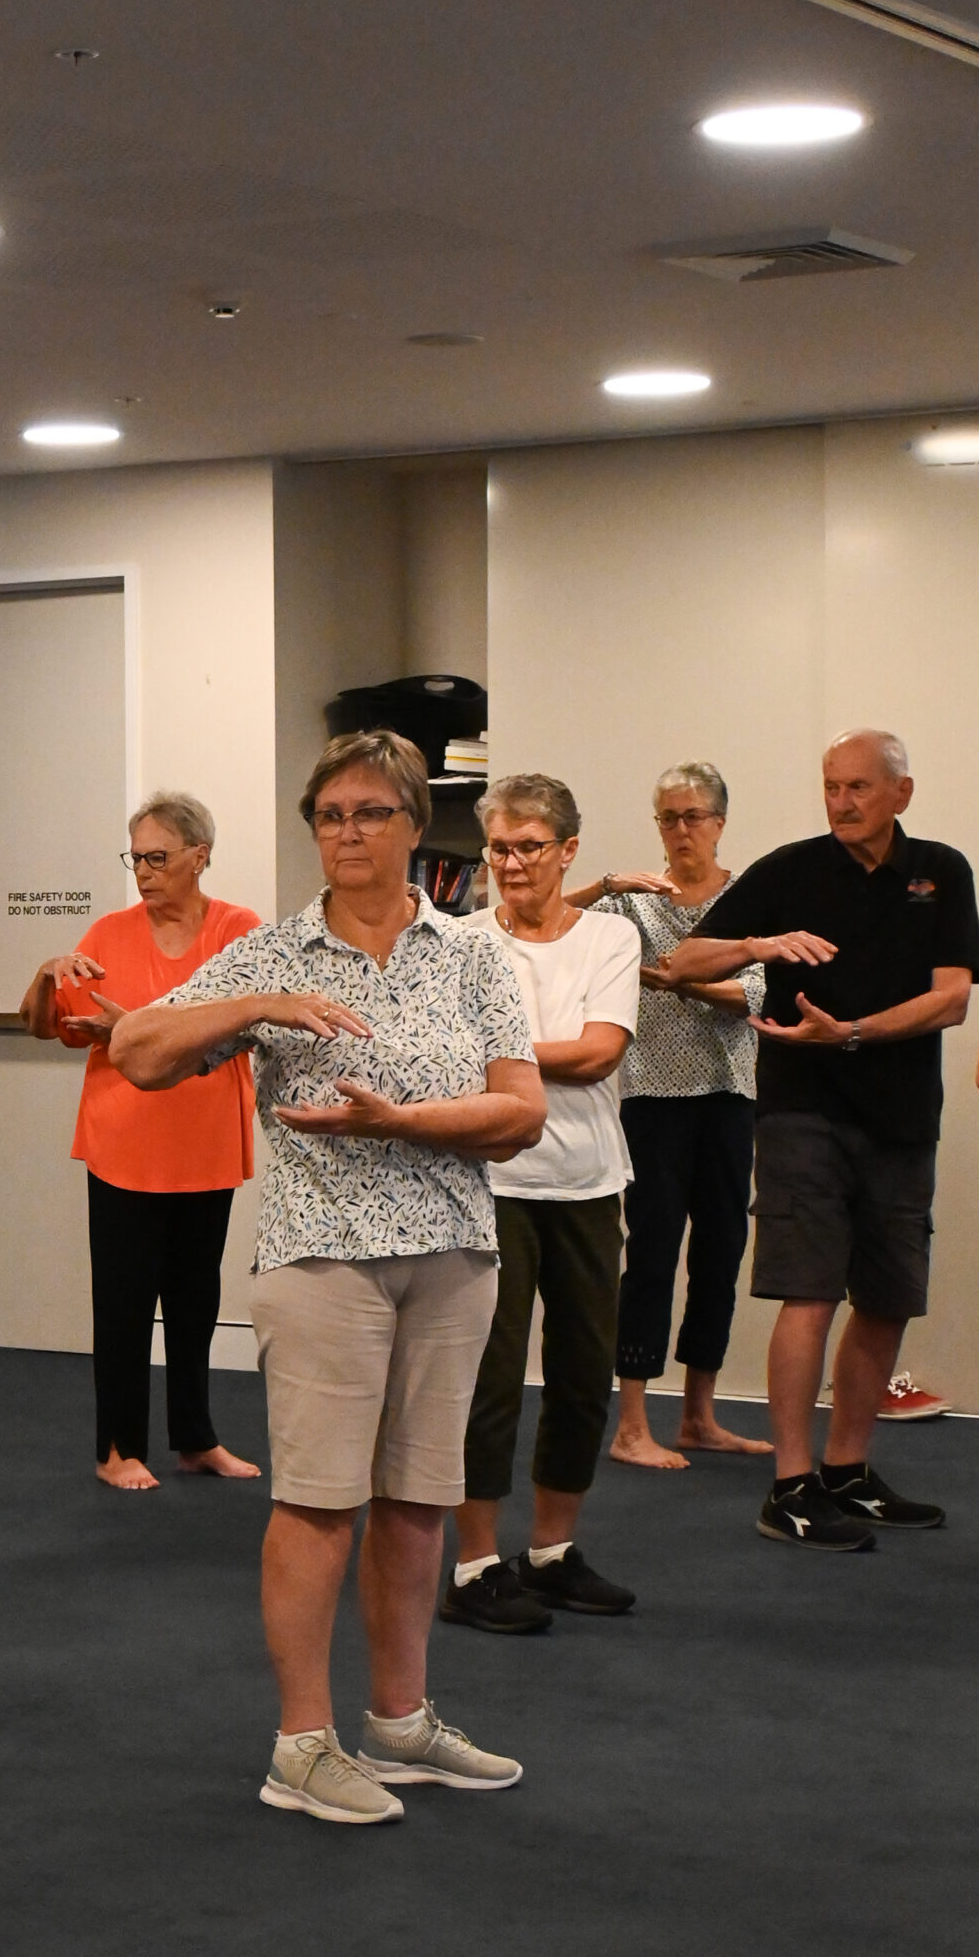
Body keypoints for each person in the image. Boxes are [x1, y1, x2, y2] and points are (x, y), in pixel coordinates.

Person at [111, 729, 542, 1827]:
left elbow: (519, 1109)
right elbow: (139, 1052)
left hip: (451, 1254)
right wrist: (253, 1008)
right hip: (322, 1258)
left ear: (412, 828)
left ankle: (397, 1723)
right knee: (317, 1503)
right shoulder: (273, 952)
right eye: (328, 815)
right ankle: (300, 1744)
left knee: (414, 1504)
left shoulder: (470, 952)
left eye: (369, 813)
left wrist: (405, 1122)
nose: (346, 833)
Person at [657, 728, 979, 1551]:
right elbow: (684, 961)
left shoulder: (940, 871)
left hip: (904, 1117)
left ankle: (849, 1471)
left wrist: (853, 1032)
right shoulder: (790, 869)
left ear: (900, 794)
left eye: (858, 789)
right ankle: (792, 1486)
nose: (840, 802)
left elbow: (951, 1000)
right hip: (803, 1113)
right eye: (831, 786)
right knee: (810, 1292)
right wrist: (759, 946)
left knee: (886, 1297)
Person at [446, 774, 642, 1635]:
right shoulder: (456, 941)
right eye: (499, 848)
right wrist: (520, 1058)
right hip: (491, 1183)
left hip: (590, 1182)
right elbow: (451, 1059)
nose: (513, 863)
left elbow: (601, 1053)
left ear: (567, 852)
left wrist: (500, 1053)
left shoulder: (609, 937)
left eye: (530, 847)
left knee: (582, 1374)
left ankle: (552, 1553)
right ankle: (475, 1565)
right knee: (488, 1379)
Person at [22, 790, 261, 1489]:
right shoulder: (106, 934)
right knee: (123, 1305)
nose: (144, 872)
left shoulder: (238, 929)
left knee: (196, 1304)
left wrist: (141, 1027)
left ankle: (196, 1439)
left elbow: (250, 1021)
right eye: (136, 859)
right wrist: (44, 977)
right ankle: (116, 1448)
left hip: (206, 1142)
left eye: (158, 858)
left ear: (201, 856)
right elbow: (44, 1026)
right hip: (124, 1144)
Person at [567, 760, 770, 1468]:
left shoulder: (750, 899)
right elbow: (547, 916)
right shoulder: (633, 903)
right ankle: (630, 1423)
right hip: (653, 1095)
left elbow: (755, 996)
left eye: (692, 817)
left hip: (730, 1093)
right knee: (651, 1252)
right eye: (667, 818)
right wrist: (610, 883)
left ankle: (699, 1415)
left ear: (719, 822)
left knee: (720, 1254)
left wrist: (679, 980)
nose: (680, 830)